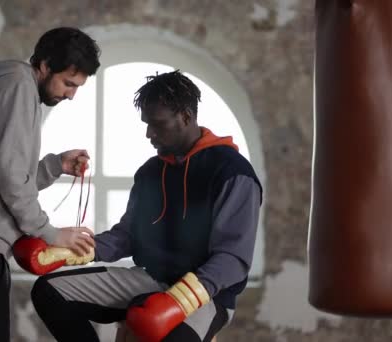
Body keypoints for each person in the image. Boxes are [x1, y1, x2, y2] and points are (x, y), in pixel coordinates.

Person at [24, 70, 263, 342]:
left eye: (157, 124)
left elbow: (232, 259)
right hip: (150, 279)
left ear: (185, 117)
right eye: (146, 124)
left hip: (207, 294)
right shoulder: (150, 171)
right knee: (48, 292)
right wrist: (64, 251)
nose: (149, 134)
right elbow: (126, 236)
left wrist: (179, 300)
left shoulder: (232, 172)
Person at [0, 27, 101, 342]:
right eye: (68, 83)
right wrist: (51, 233)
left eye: (77, 86)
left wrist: (55, 166)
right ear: (44, 65)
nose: (71, 94)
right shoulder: (18, 87)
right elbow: (8, 176)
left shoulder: (18, 88)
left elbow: (7, 175)